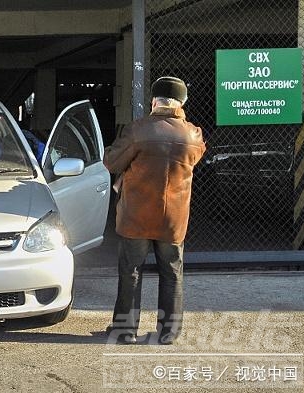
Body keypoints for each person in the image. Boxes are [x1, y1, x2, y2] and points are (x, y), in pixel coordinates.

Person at [103, 76, 206, 345]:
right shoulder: (193, 135)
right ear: (182, 103)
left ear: (153, 101)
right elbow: (194, 158)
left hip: (136, 216)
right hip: (173, 219)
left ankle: (125, 331)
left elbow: (112, 162)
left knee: (131, 272)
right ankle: (168, 333)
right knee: (172, 273)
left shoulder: (138, 130)